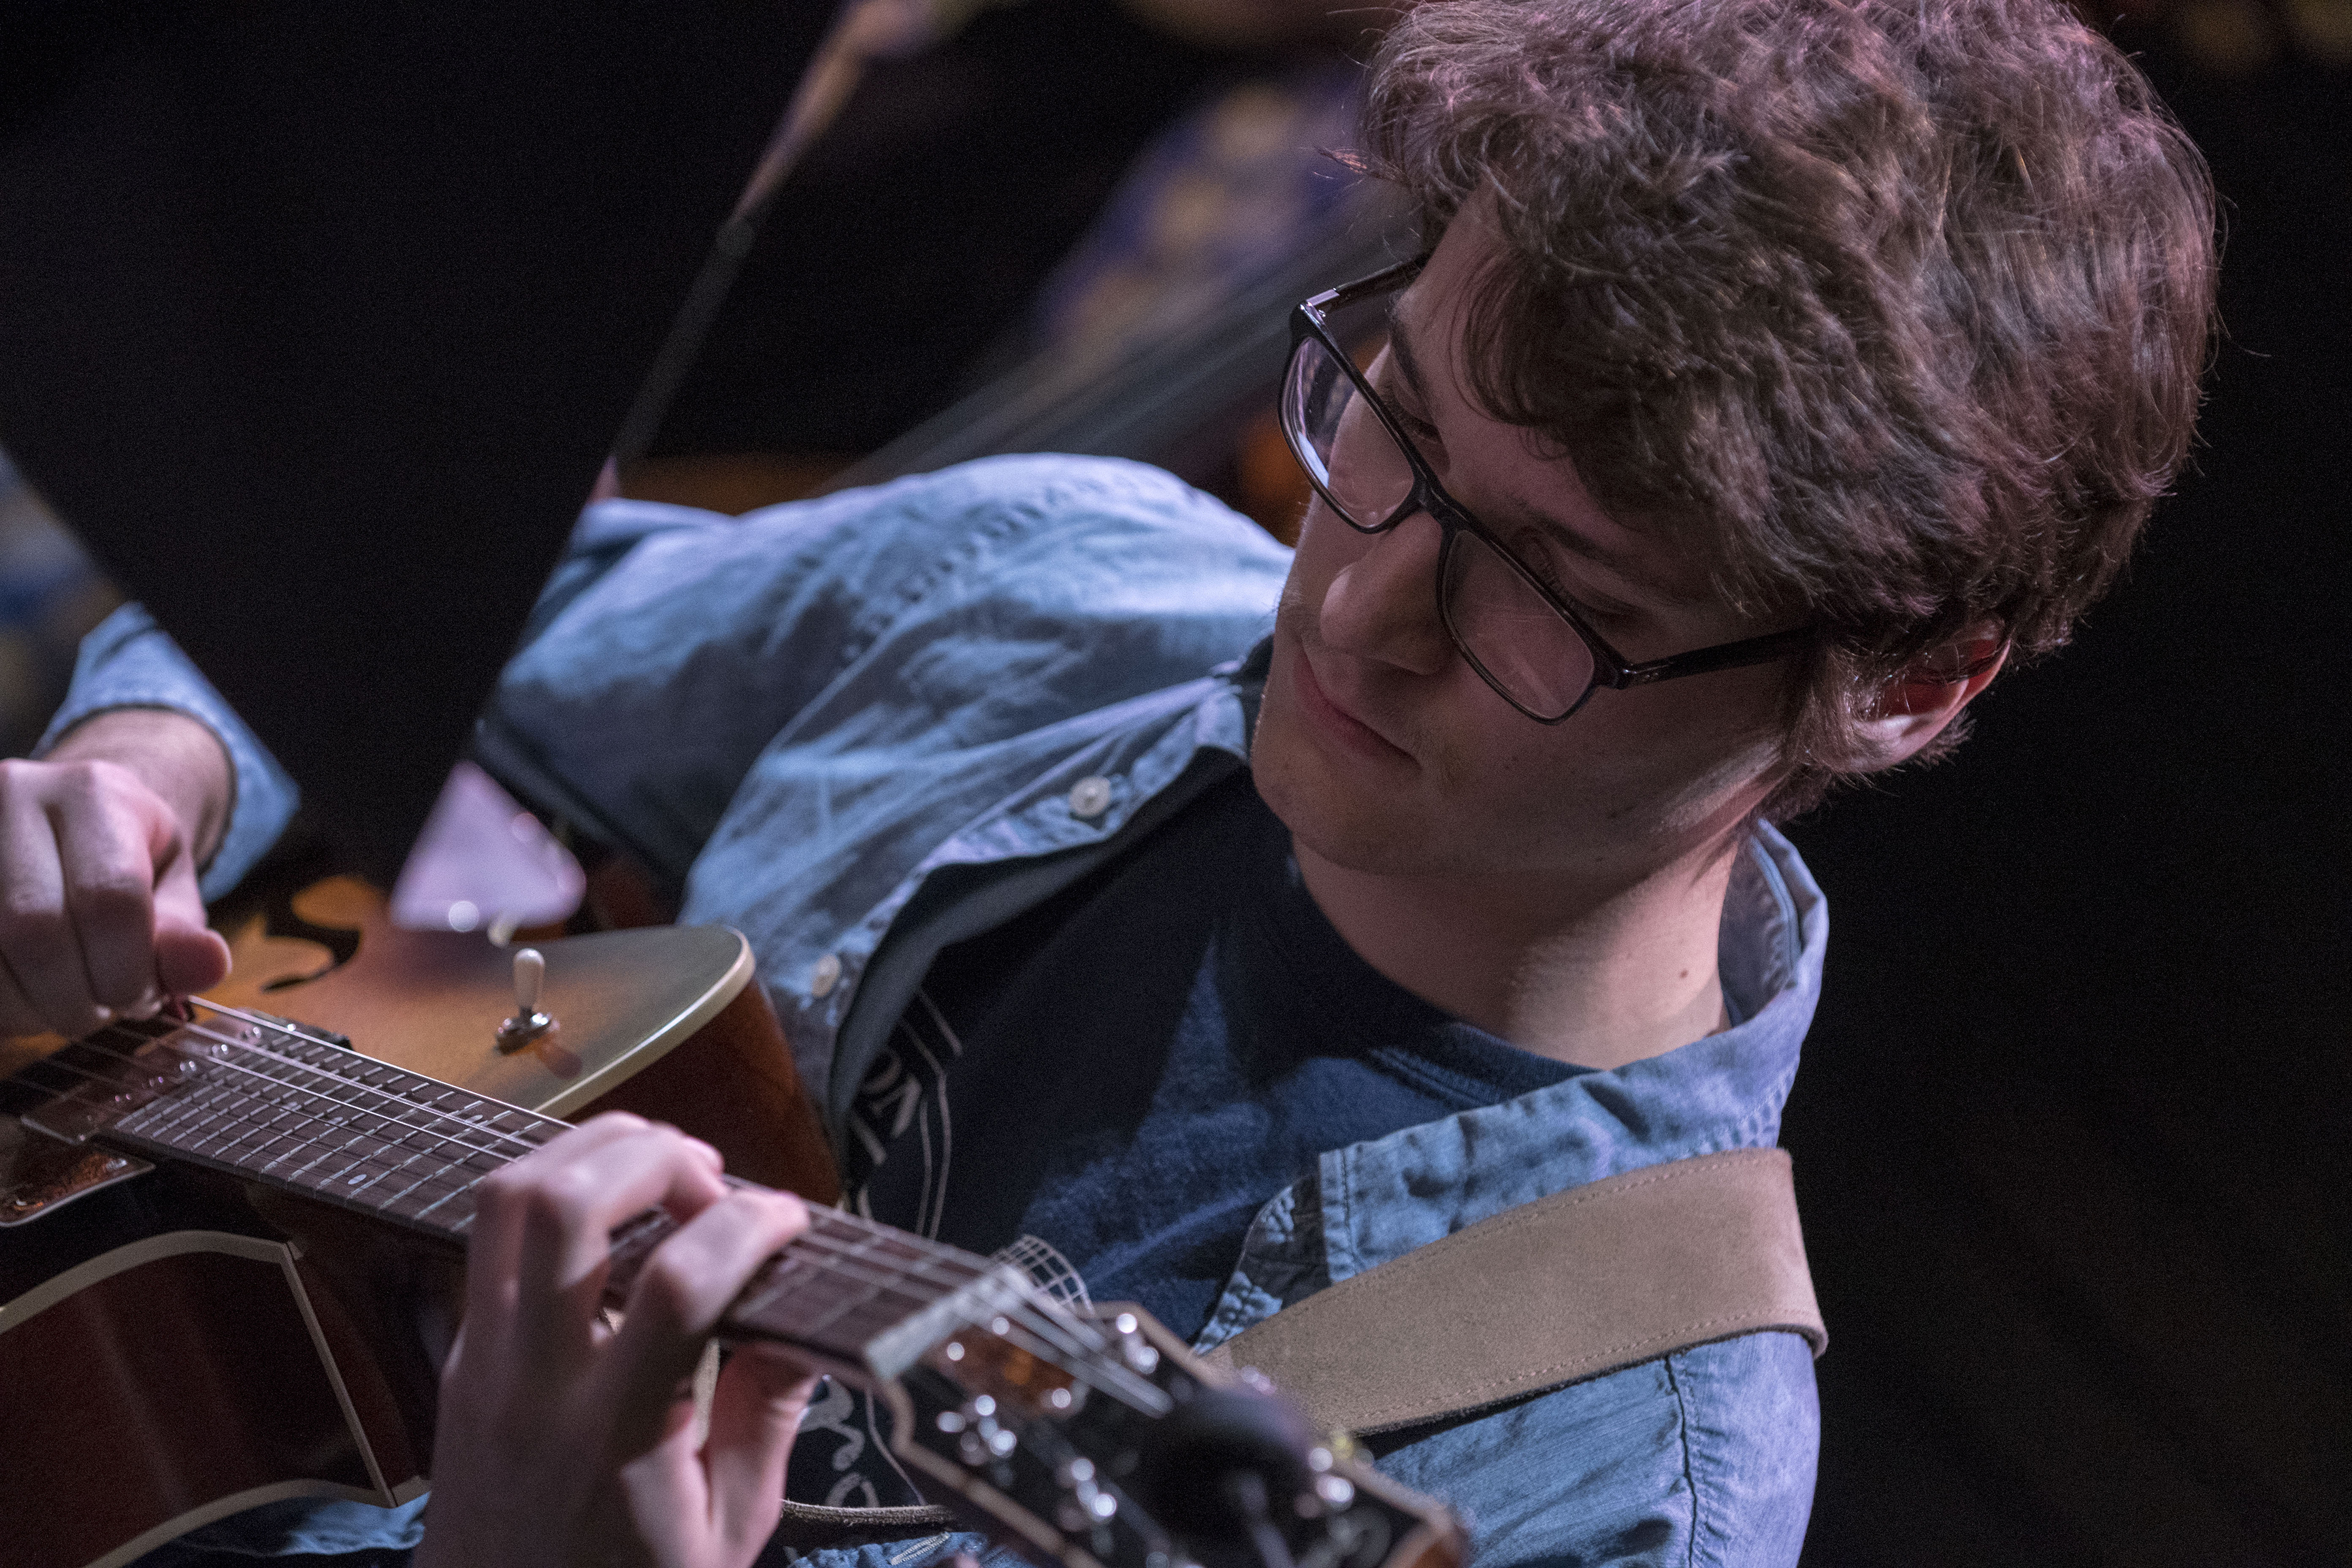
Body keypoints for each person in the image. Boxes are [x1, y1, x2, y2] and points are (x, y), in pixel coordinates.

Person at [0, 1, 2217, 1564]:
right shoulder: (1069, 584)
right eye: (1397, 423)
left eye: (1561, 590)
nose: (1352, 611)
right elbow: (432, 620)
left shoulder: (1608, 1476)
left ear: (1909, 686)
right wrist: (139, 767)